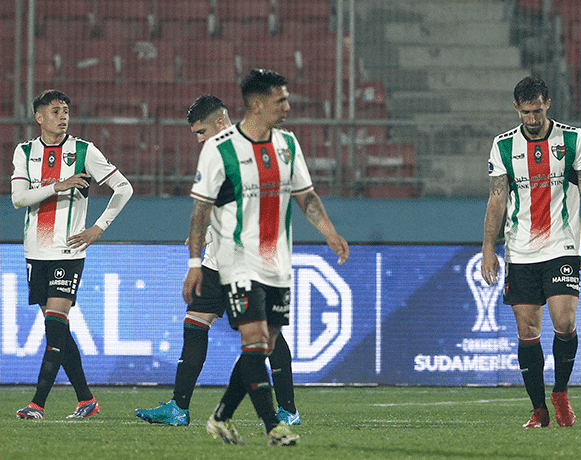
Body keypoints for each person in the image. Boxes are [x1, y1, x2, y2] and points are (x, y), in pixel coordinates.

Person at [184, 69, 349, 446]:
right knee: (255, 338)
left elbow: (305, 195)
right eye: (281, 100)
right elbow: (199, 213)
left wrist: (330, 233)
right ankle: (273, 426)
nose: (288, 107)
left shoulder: (288, 144)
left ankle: (222, 416)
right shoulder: (220, 148)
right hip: (236, 259)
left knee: (266, 344)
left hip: (277, 262)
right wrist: (195, 264)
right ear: (257, 105)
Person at [135, 96, 301, 427]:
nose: (198, 140)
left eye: (201, 131)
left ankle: (288, 410)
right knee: (194, 324)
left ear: (221, 124)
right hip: (217, 259)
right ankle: (178, 408)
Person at [481, 76, 581, 428]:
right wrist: (489, 248)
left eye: (537, 111)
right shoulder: (503, 146)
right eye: (525, 113)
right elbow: (497, 198)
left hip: (562, 245)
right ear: (516, 109)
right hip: (519, 250)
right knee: (527, 329)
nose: (532, 119)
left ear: (547, 104)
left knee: (564, 322)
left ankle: (561, 392)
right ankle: (538, 409)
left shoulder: (572, 139)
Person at [11, 89, 133, 419]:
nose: (62, 116)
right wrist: (58, 186)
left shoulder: (83, 151)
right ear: (39, 117)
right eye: (55, 111)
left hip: (68, 250)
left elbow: (124, 188)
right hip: (35, 252)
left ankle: (37, 404)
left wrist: (98, 228)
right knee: (58, 332)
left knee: (55, 325)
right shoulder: (24, 152)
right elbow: (18, 199)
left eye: (65, 110)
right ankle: (86, 399)